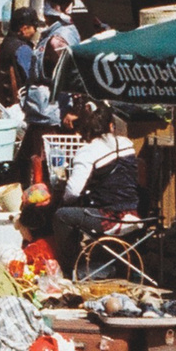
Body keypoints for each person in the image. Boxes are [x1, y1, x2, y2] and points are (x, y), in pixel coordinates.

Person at [49, 112, 146, 270]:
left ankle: (69, 267)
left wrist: (61, 201)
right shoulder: (126, 143)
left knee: (62, 216)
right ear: (110, 127)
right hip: (135, 212)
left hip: (111, 217)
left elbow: (73, 191)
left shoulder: (88, 151)